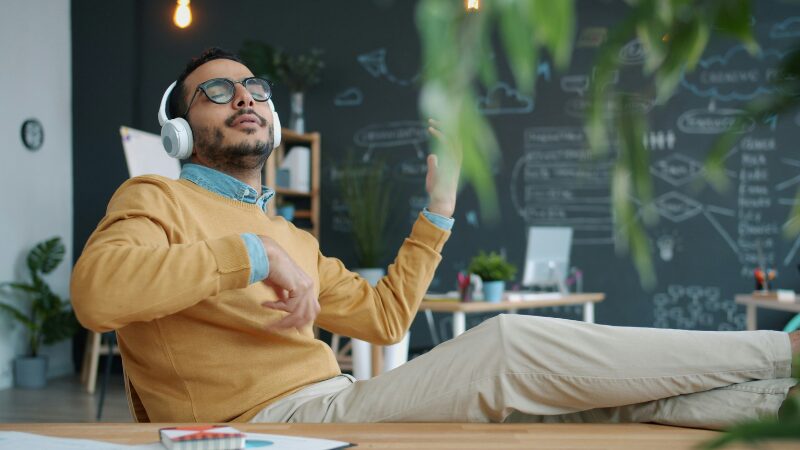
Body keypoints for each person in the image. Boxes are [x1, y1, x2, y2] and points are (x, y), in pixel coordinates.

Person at [71, 48, 799, 429]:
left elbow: (385, 317)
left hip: (337, 401)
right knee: (508, 346)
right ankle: (784, 351)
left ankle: (779, 403)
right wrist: (252, 257)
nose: (245, 98)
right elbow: (97, 297)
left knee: (589, 400)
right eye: (216, 91)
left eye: (254, 89)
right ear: (179, 130)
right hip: (270, 426)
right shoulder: (155, 197)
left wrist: (439, 208)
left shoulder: (286, 231)